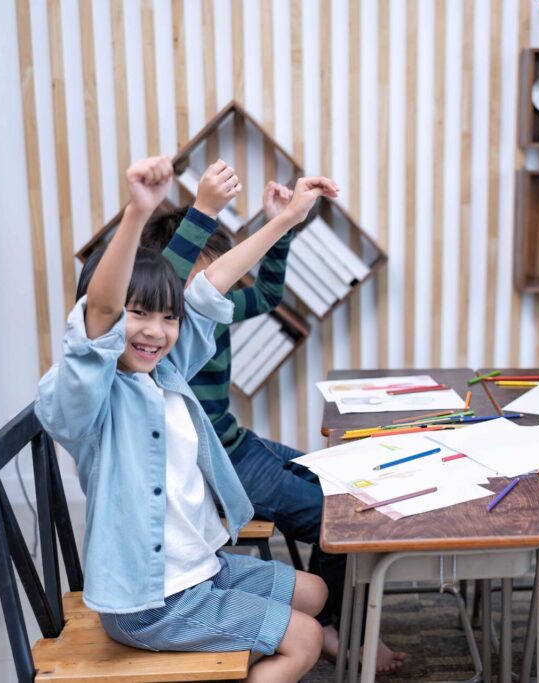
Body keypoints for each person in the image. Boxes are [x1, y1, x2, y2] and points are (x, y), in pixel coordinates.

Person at [35, 155, 338, 682]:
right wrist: (138, 212)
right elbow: (100, 315)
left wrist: (287, 220)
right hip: (151, 601)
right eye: (138, 314)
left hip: (200, 571)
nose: (156, 331)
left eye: (168, 317)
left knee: (315, 591)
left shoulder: (169, 372)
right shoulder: (90, 401)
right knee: (305, 638)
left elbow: (209, 287)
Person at [139, 162, 407, 673]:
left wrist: (280, 225)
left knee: (341, 486)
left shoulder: (212, 308)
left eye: (218, 274)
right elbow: (172, 286)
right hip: (219, 464)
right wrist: (207, 210)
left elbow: (267, 294)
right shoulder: (162, 339)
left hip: (238, 443)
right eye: (199, 278)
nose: (211, 288)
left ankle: (328, 614)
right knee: (336, 518)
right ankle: (332, 627)